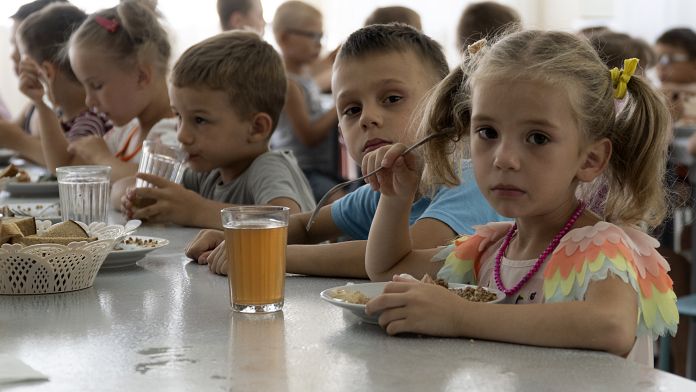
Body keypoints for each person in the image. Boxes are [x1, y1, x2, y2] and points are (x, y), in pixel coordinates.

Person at [362, 30, 678, 367]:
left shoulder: (600, 247)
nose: (504, 158)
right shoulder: (491, 250)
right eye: (488, 133)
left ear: (590, 159)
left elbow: (611, 325)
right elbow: (387, 268)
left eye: (537, 138)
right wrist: (396, 198)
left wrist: (459, 316)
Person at [185, 23, 504, 277]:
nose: (368, 118)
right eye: (351, 110)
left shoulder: (468, 178)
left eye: (392, 99)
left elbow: (405, 258)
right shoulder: (380, 194)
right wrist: (239, 235)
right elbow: (303, 227)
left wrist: (265, 255)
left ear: (442, 108)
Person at [116, 31, 316, 228]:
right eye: (178, 116)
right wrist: (138, 198)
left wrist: (197, 210)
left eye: (200, 120)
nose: (181, 135)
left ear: (256, 128)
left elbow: (286, 224)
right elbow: (118, 187)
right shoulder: (209, 172)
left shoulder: (269, 168)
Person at [52, 0, 177, 181]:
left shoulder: (172, 135)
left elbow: (154, 184)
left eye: (96, 86)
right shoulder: (126, 132)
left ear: (142, 76)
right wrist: (41, 104)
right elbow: (68, 167)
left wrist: (101, 158)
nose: (89, 101)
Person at [13, 3, 112, 167]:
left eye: (25, 64)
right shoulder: (63, 116)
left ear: (46, 72)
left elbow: (65, 169)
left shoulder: (91, 121)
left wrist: (40, 103)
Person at [270, 1, 341, 203]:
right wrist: (339, 105)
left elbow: (319, 69)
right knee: (340, 201)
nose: (319, 43)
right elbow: (308, 137)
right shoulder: (289, 85)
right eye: (312, 36)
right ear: (284, 38)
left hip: (319, 169)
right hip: (302, 171)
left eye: (321, 37)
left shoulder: (304, 72)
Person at [0, 0, 67, 162]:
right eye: (12, 45)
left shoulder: (68, 106)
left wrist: (19, 141)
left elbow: (68, 162)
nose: (13, 55)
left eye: (20, 48)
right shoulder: (32, 106)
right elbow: (8, 133)